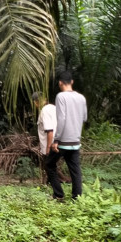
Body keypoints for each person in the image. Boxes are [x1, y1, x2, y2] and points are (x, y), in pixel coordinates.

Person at [46, 70, 86, 200]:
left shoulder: (61, 97)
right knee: (75, 170)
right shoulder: (81, 98)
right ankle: (77, 197)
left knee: (49, 165)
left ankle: (58, 194)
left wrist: (56, 139)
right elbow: (84, 118)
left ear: (60, 83)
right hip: (75, 141)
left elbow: (61, 119)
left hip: (63, 141)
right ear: (72, 82)